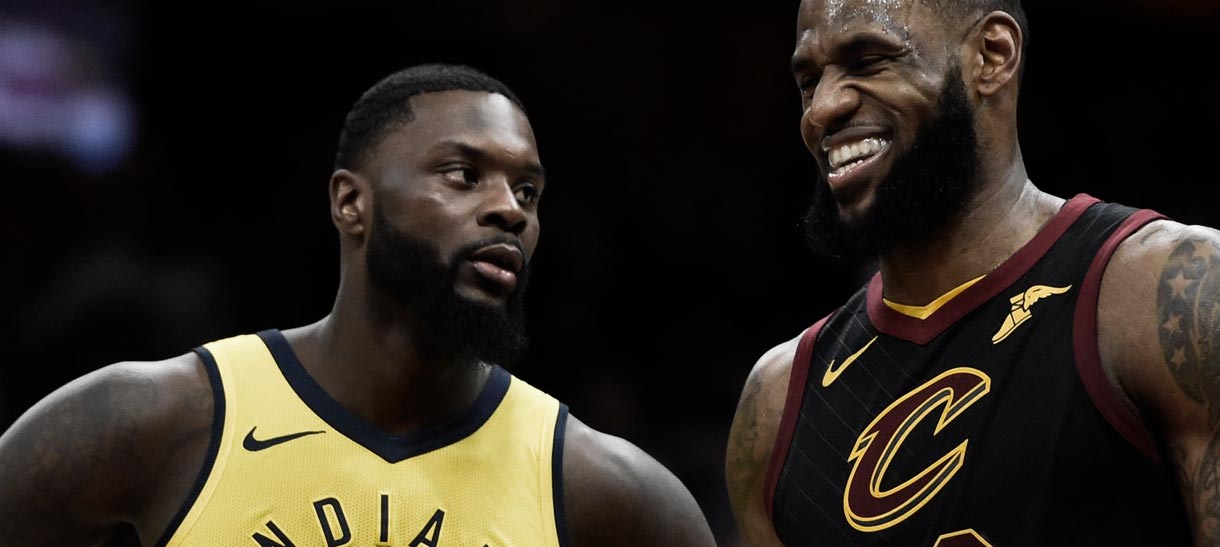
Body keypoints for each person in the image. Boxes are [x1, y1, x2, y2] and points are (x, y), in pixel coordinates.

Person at [0, 63, 717, 547]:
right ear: (351, 203)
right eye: (464, 174)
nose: (509, 209)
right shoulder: (156, 420)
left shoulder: (603, 491)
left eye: (527, 191)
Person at [725, 0, 1217, 545]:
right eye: (808, 81)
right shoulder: (775, 406)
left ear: (992, 56)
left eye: (867, 61)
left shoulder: (1170, 293)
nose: (822, 109)